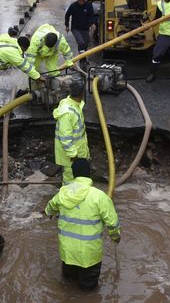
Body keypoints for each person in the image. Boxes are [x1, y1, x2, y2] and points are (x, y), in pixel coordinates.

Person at [44, 158, 121, 291]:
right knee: (88, 292)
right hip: (89, 256)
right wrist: (116, 237)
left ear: (73, 174)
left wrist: (51, 212)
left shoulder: (63, 192)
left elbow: (49, 208)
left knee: (67, 285)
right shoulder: (100, 197)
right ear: (89, 174)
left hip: (68, 253)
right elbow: (112, 224)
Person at [53, 79, 89, 184]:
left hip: (78, 150)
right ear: (82, 93)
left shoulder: (70, 103)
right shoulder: (67, 113)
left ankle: (78, 195)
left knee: (79, 178)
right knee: (70, 178)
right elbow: (65, 138)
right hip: (72, 155)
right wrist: (73, 156)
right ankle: (68, 197)